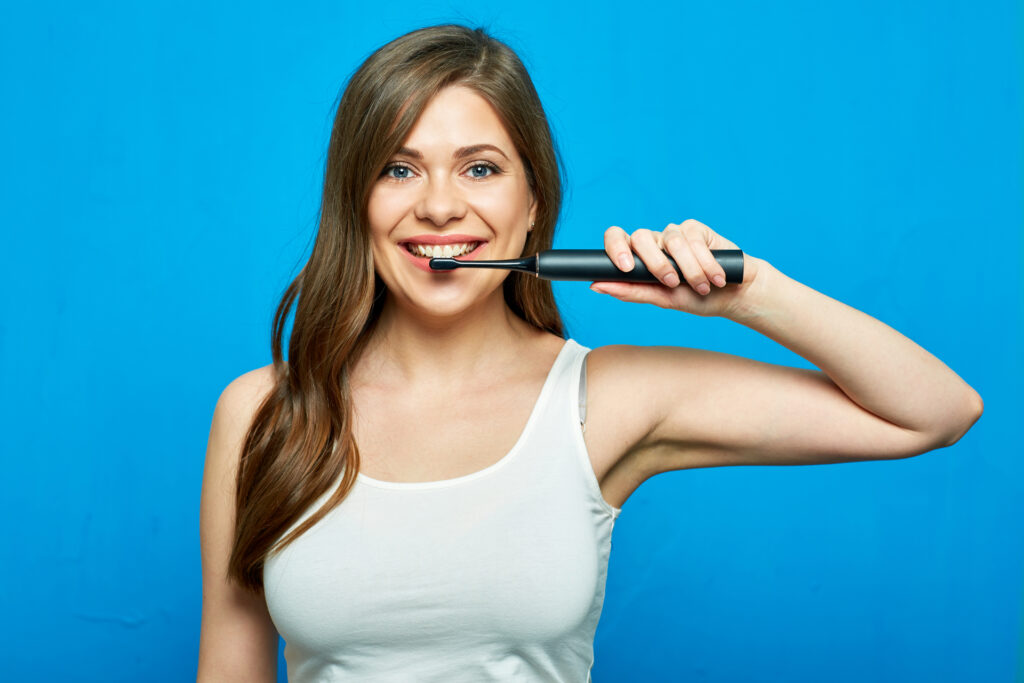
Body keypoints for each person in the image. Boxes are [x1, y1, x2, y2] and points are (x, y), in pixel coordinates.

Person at [196, 23, 983, 683]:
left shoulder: (606, 399)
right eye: (398, 169)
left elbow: (935, 411)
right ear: (355, 200)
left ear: (533, 202)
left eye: (480, 168)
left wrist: (749, 292)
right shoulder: (264, 411)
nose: (438, 203)